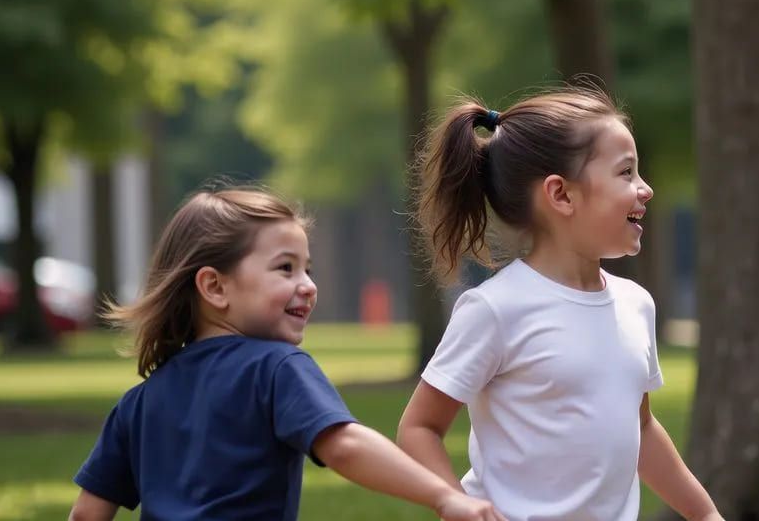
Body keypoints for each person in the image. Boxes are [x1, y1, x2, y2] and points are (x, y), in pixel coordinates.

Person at [69, 188, 505, 521]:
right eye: (285, 268)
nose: (308, 285)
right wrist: (445, 495)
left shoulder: (138, 402)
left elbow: (87, 513)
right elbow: (346, 446)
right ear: (214, 287)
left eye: (307, 269)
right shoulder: (276, 368)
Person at [396, 87, 721, 521]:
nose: (646, 189)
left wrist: (705, 514)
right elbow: (418, 428)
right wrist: (458, 504)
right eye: (626, 173)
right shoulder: (495, 310)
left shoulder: (635, 305)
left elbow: (640, 428)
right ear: (562, 195)